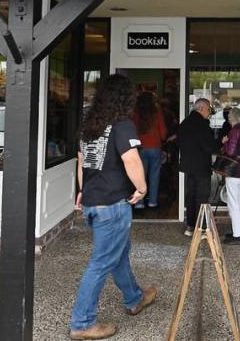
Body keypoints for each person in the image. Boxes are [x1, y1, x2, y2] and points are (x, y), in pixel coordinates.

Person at [70, 74, 158, 340]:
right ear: (125, 97)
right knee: (101, 262)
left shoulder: (89, 125)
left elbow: (82, 162)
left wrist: (83, 191)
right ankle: (82, 322)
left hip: (93, 202)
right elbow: (131, 160)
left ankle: (135, 298)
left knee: (117, 254)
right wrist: (142, 189)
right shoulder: (122, 125)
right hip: (112, 204)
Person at [178, 98, 219, 236]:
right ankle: (202, 228)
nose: (209, 113)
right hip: (201, 166)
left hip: (188, 166)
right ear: (201, 108)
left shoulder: (185, 122)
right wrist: (220, 142)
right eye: (208, 110)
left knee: (191, 196)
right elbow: (209, 147)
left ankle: (190, 226)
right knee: (202, 197)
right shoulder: (201, 124)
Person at [133, 91, 168, 210]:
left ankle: (139, 202)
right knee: (154, 175)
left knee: (139, 175)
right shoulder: (156, 112)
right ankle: (152, 202)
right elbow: (163, 132)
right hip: (155, 147)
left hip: (140, 147)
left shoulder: (135, 113)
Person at [222, 107, 240, 245]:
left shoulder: (234, 131)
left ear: (231, 118)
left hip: (233, 171)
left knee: (233, 203)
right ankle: (237, 231)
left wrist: (224, 142)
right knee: (237, 202)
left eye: (229, 116)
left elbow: (231, 151)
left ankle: (237, 235)